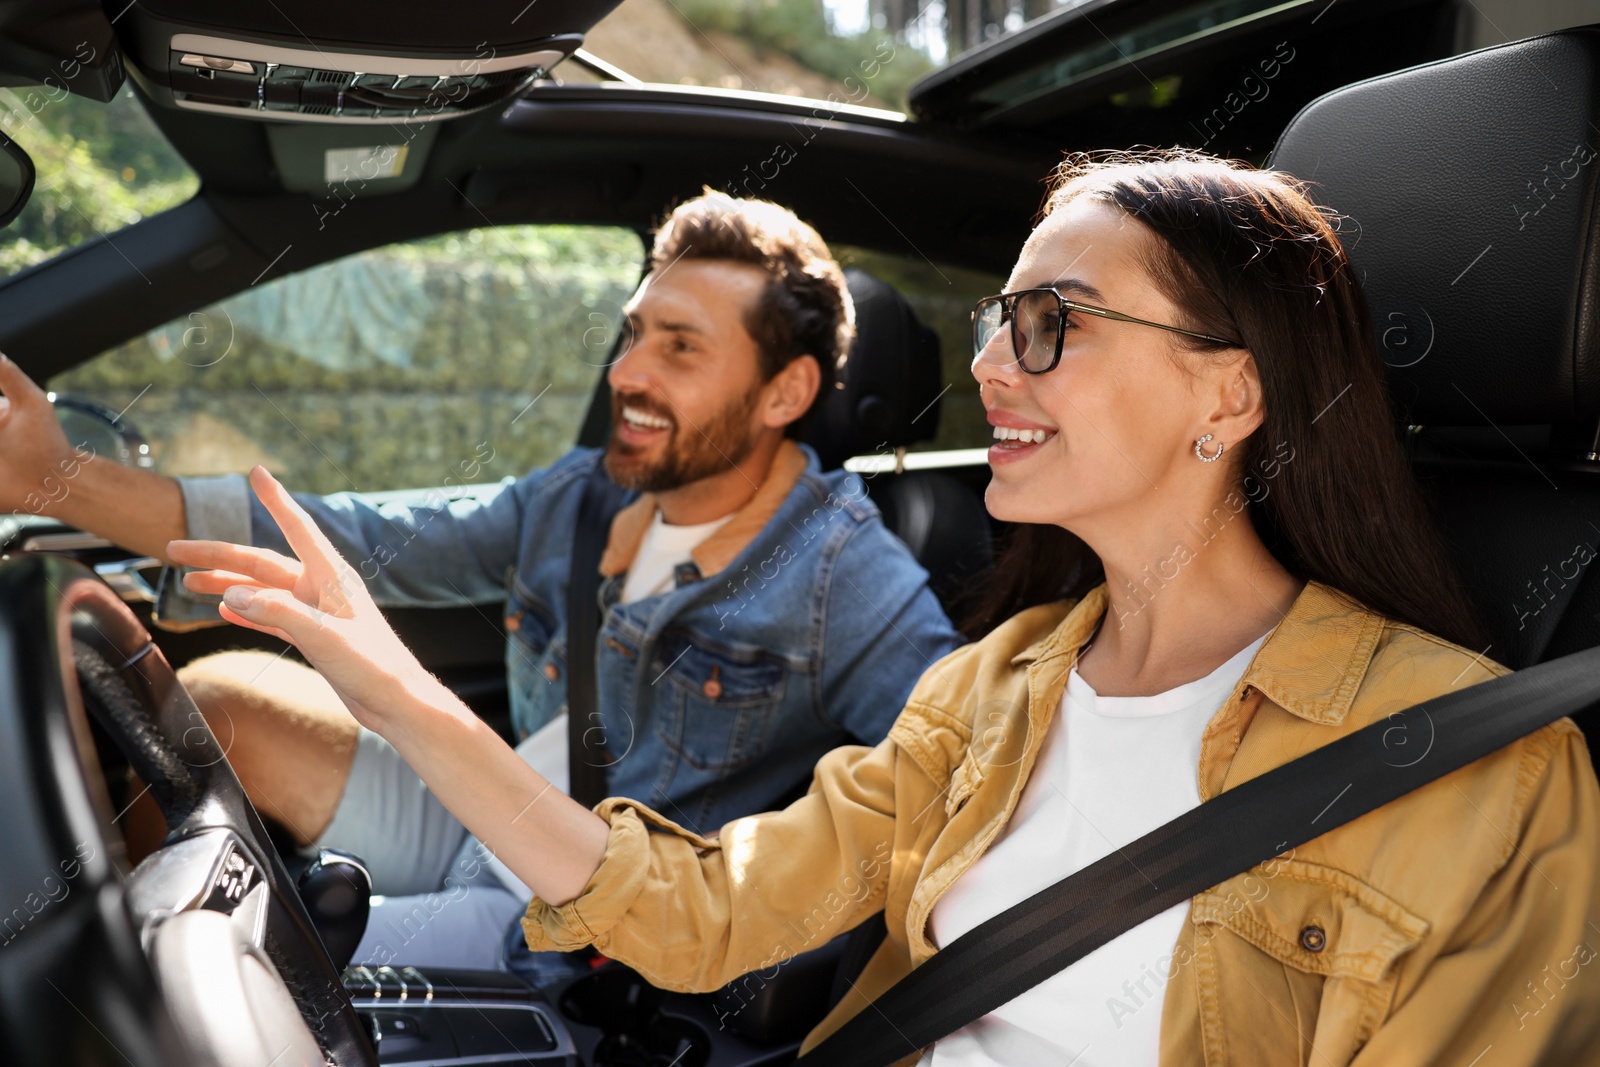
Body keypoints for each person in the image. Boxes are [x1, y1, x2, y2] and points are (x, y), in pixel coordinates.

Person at [170, 147, 1600, 1066]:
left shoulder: (1477, 769)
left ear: (1230, 391)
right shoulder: (992, 691)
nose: (993, 365)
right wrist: (392, 687)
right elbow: (698, 913)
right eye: (998, 320)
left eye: (1053, 323)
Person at [0, 190, 961, 975]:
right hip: (475, 801)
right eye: (633, 333)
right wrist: (58, 479)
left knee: (229, 964)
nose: (627, 371)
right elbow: (359, 538)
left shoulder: (846, 572)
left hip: (565, 906)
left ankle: (105, 986)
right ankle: (63, 953)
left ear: (785, 393)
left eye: (680, 347)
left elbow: (966, 770)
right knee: (213, 703)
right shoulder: (579, 498)